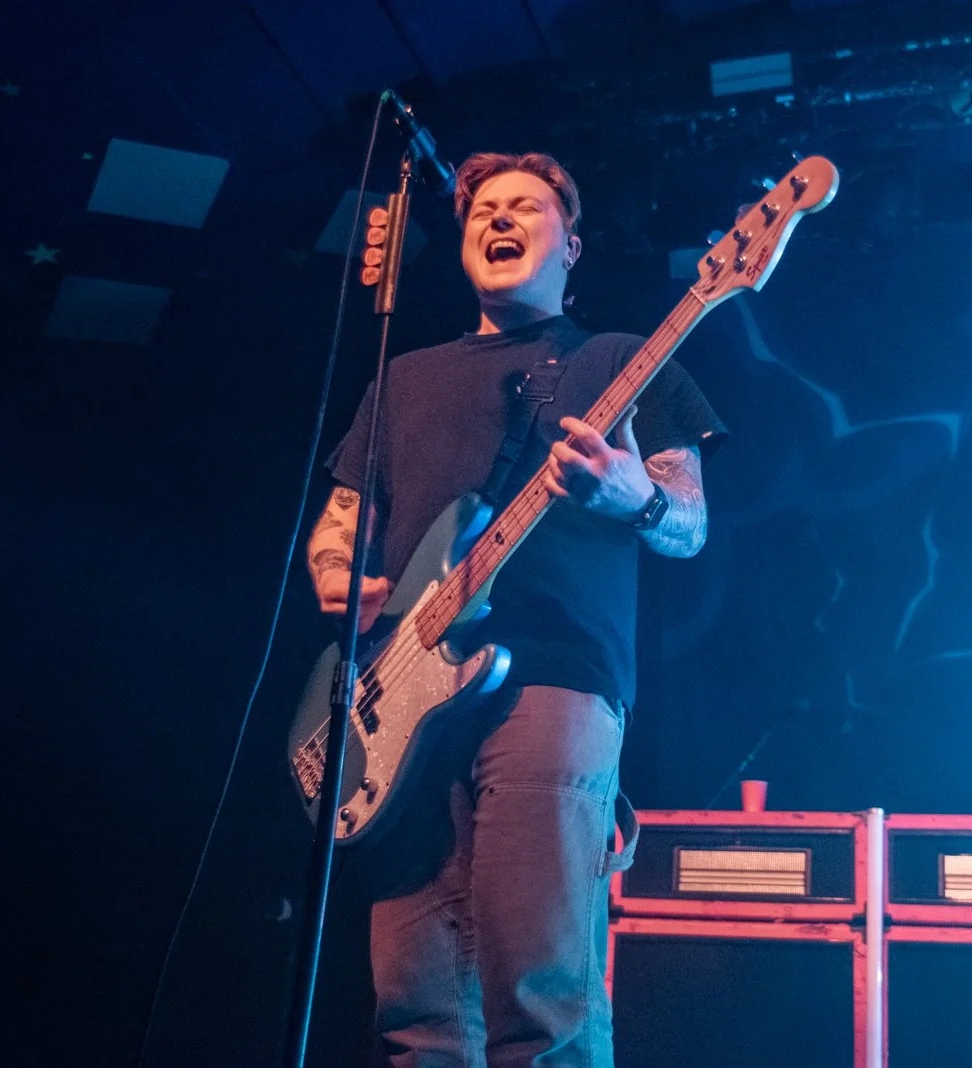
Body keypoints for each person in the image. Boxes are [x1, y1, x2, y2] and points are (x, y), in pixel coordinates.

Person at [306, 151, 725, 1067]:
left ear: (570, 246)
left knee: (539, 991)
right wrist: (341, 577)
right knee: (415, 1010)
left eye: (525, 206)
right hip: (401, 699)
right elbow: (341, 525)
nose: (498, 217)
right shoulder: (402, 379)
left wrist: (633, 497)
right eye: (482, 208)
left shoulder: (623, 358)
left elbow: (690, 523)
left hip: (555, 678)